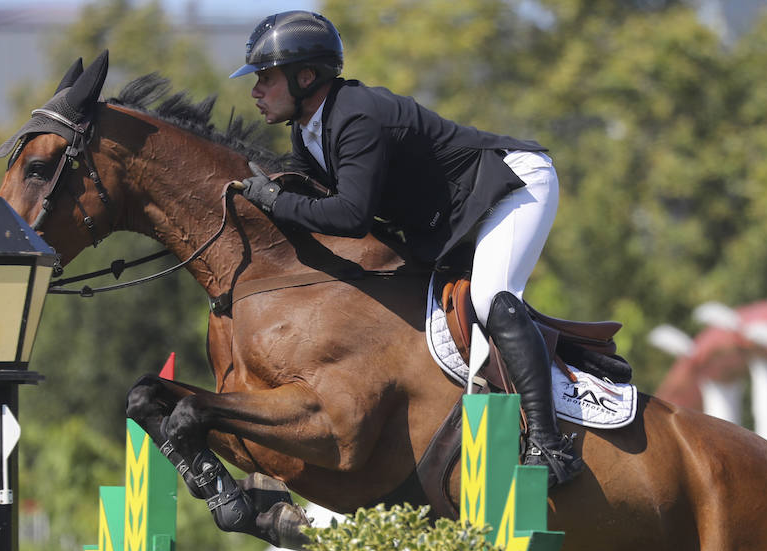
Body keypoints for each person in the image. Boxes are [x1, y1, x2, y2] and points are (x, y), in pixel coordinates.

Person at [229, 10, 584, 487]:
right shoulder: (308, 130)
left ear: (305, 76)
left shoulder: (355, 115)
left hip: (514, 185)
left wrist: (274, 199)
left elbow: (350, 217)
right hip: (453, 218)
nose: (255, 91)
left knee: (491, 298)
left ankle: (549, 443)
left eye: (265, 78)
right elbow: (312, 204)